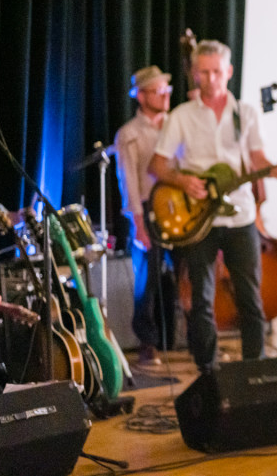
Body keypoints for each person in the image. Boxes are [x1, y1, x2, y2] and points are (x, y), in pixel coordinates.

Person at [149, 40, 277, 373]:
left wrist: (275, 167)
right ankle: (207, 370)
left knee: (251, 299)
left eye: (217, 72)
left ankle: (254, 369)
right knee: (201, 301)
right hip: (199, 218)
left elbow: (256, 158)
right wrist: (183, 182)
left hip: (240, 215)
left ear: (229, 72)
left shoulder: (246, 113)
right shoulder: (181, 116)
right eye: (204, 72)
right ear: (195, 74)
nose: (211, 79)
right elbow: (158, 164)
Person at [115, 65, 173, 367]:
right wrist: (138, 224)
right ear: (140, 96)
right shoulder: (129, 133)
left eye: (167, 89)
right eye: (157, 90)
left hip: (180, 207)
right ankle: (147, 342)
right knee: (146, 278)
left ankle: (184, 337)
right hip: (148, 209)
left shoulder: (175, 124)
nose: (164, 95)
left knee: (188, 273)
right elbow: (129, 182)